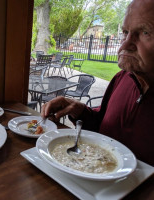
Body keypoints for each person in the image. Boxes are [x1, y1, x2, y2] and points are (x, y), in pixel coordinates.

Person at [41, 0, 154, 166]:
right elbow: (102, 126)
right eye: (125, 32)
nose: (124, 44)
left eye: (145, 32)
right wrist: (79, 111)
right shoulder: (121, 78)